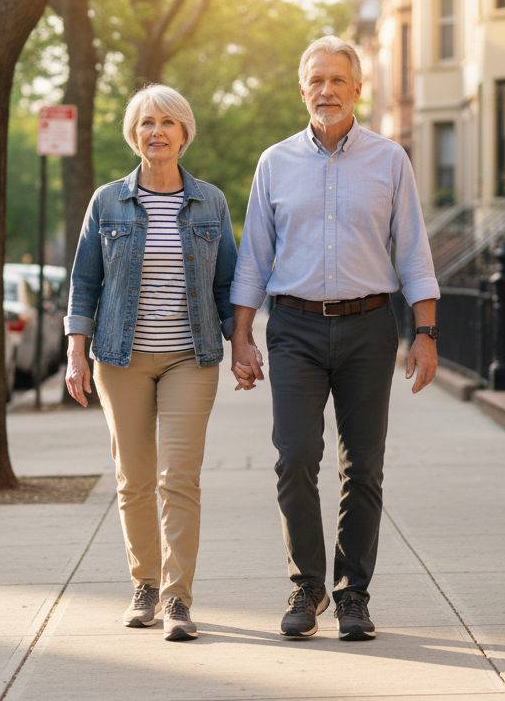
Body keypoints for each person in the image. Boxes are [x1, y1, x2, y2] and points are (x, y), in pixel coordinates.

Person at [230, 36, 439, 641]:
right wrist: (242, 338)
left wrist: (424, 333)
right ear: (303, 90)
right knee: (295, 457)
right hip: (292, 326)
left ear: (357, 89)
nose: (326, 91)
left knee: (363, 466)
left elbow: (415, 254)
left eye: (337, 81)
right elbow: (253, 261)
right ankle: (307, 584)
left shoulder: (390, 159)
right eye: (315, 81)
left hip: (370, 326)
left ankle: (352, 594)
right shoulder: (274, 163)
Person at [65, 84, 237, 642]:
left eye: (167, 122)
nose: (156, 131)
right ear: (133, 135)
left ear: (185, 132)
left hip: (191, 355)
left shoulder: (210, 201)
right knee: (134, 480)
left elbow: (228, 282)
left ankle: (177, 599)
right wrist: (75, 351)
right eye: (146, 123)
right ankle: (144, 585)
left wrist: (245, 346)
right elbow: (85, 281)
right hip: (120, 357)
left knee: (178, 478)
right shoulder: (108, 201)